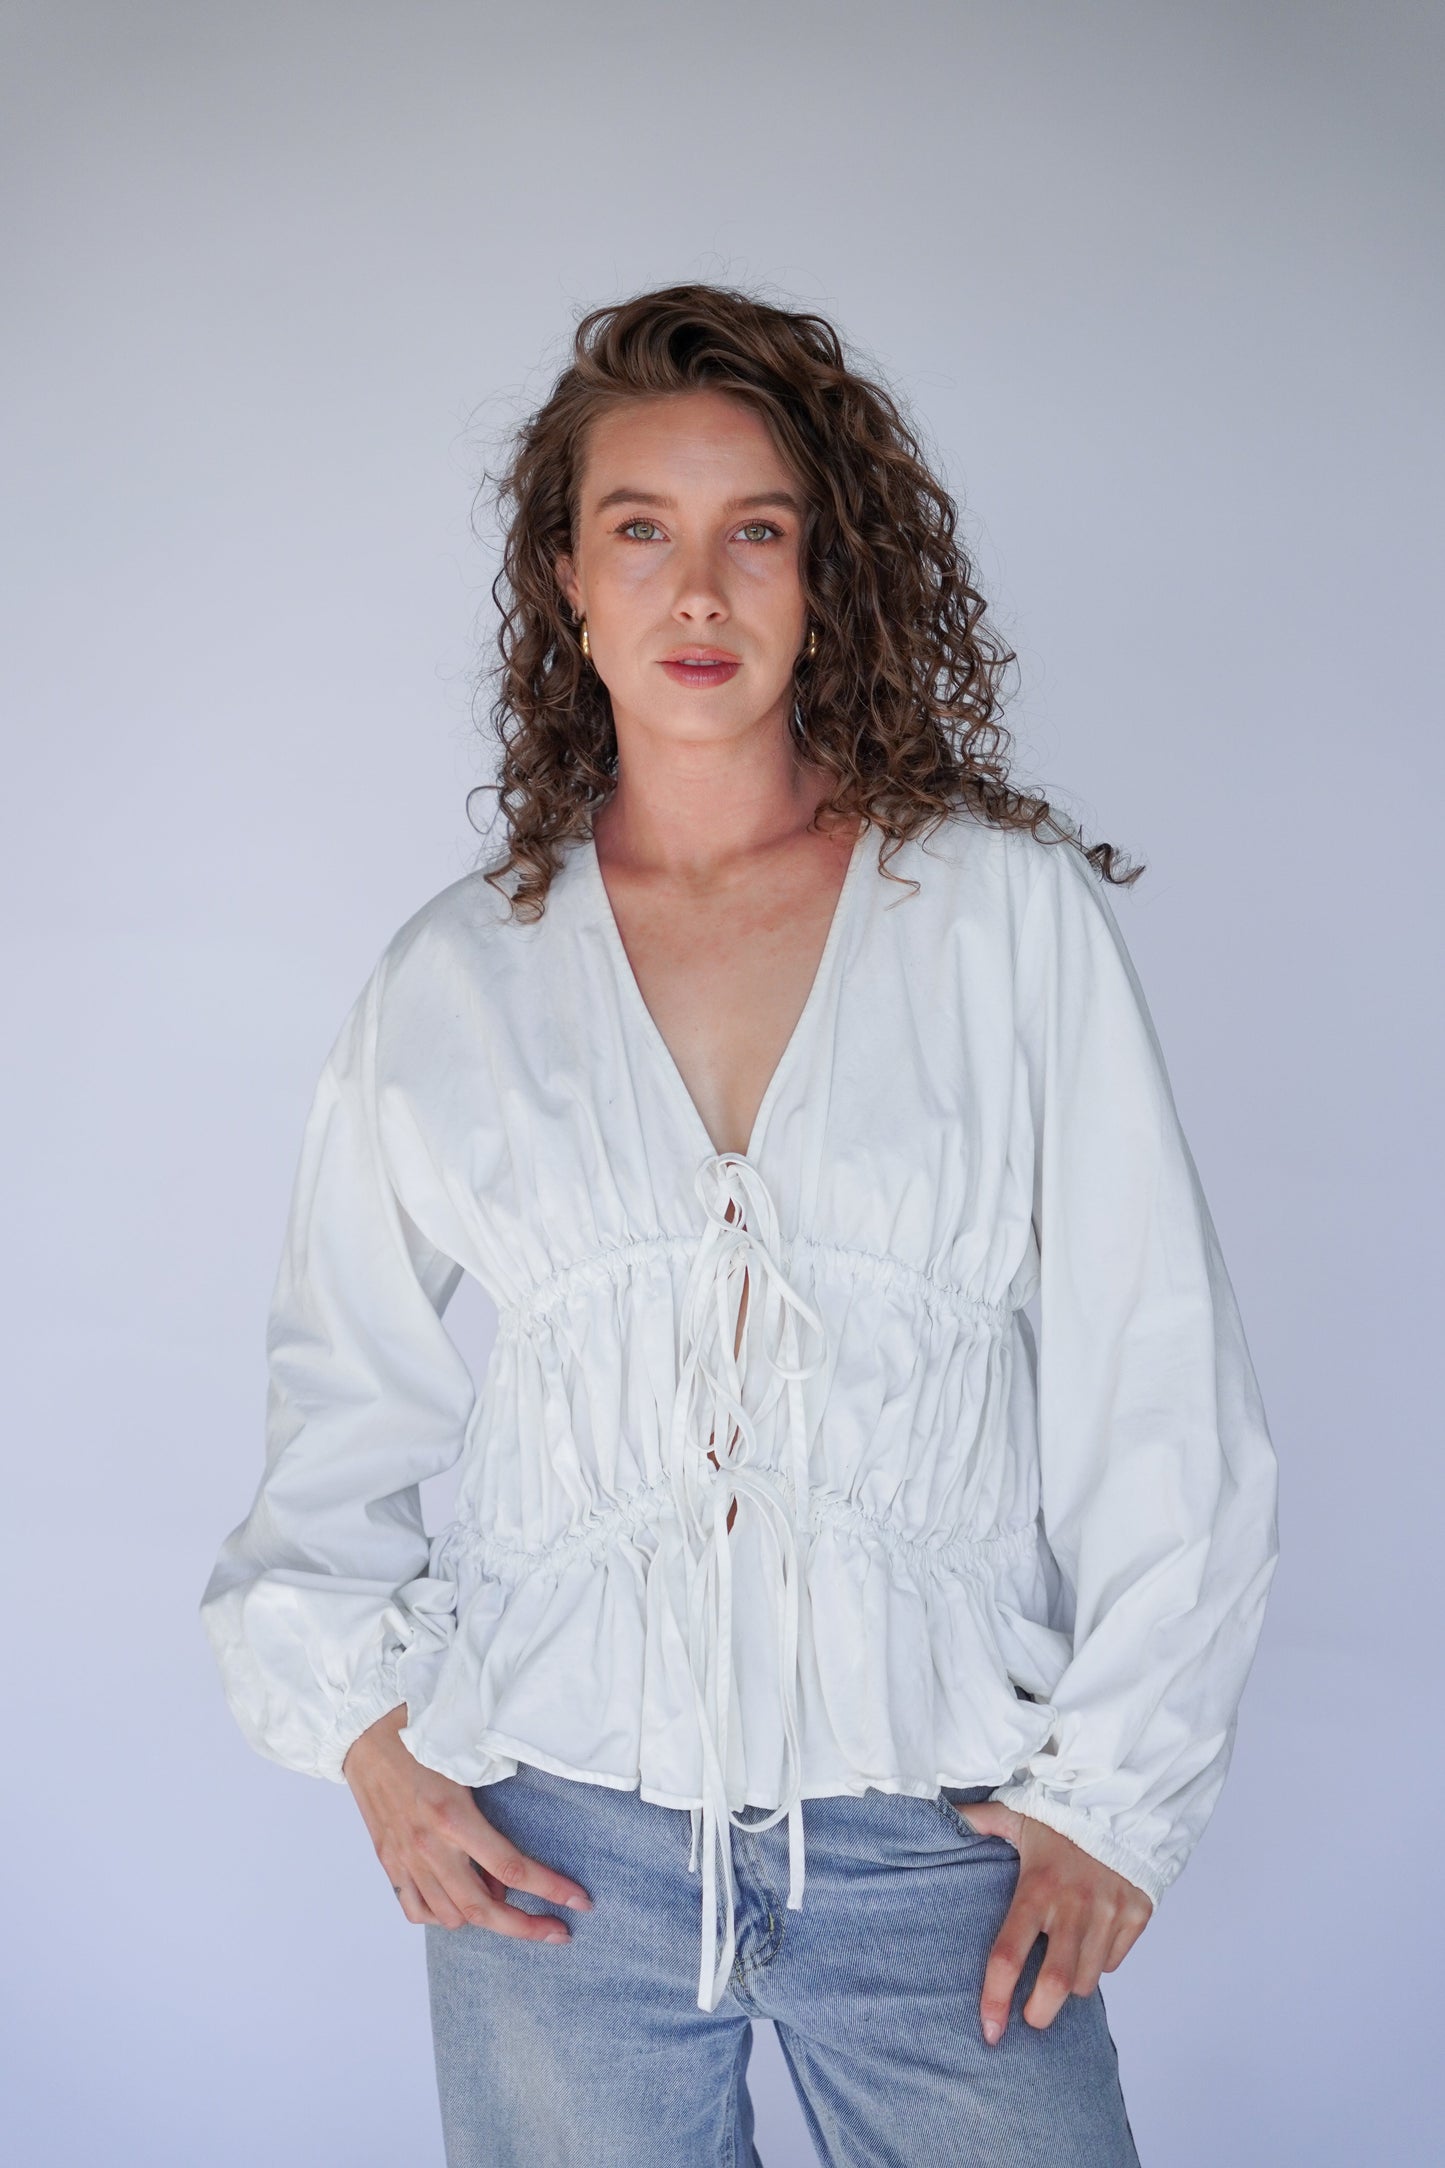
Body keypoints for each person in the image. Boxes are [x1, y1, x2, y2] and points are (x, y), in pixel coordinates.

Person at [200, 283, 1280, 2166]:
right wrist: (370, 1746)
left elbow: (1155, 1375)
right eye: (642, 531)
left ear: (822, 573)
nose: (696, 591)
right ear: (567, 580)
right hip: (553, 1855)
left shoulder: (998, 922)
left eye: (754, 532)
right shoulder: (458, 976)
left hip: (938, 1849)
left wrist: (1113, 1800)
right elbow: (338, 1396)